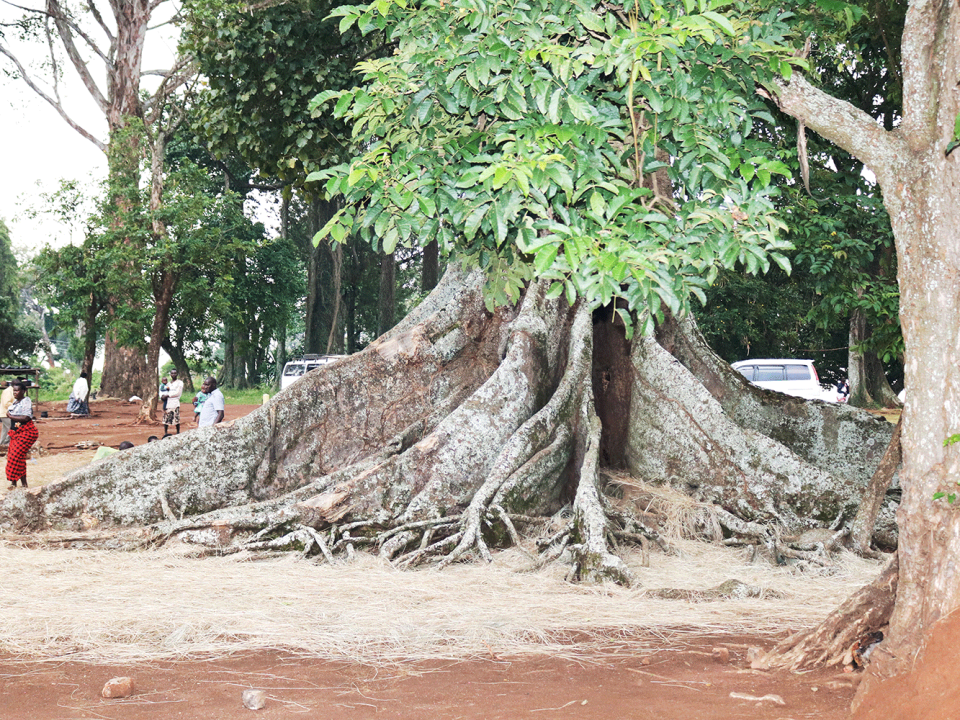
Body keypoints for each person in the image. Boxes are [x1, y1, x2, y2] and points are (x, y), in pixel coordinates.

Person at [5, 381, 38, 489]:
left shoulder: (26, 401)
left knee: (16, 456)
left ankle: (21, 484)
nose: (15, 392)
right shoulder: (15, 402)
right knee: (13, 456)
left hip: (26, 432)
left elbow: (26, 418)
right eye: (14, 390)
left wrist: (10, 417)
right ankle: (17, 484)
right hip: (16, 433)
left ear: (24, 391)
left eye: (18, 390)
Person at [163, 369, 184, 435]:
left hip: (175, 402)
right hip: (168, 402)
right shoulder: (168, 383)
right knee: (166, 418)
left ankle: (178, 432)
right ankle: (166, 432)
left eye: (175, 373)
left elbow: (178, 392)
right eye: (172, 373)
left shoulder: (180, 383)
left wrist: (168, 395)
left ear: (177, 374)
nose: (173, 375)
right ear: (170, 374)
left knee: (176, 417)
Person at [0, 381, 15, 450]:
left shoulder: (11, 391)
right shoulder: (8, 391)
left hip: (6, 413)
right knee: (12, 429)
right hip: (6, 414)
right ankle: (6, 444)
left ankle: (2, 444)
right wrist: (16, 406)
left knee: (5, 430)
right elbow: (6, 403)